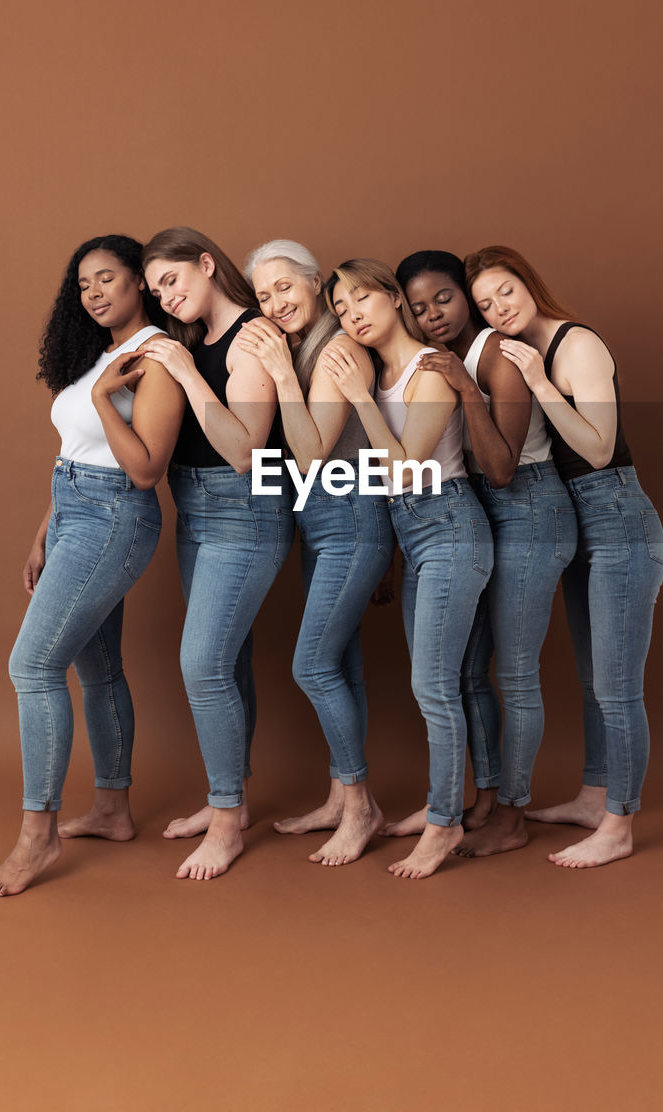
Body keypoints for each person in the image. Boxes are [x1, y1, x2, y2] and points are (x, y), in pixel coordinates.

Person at [0, 235, 185, 897]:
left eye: (108, 280)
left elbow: (146, 470)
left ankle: (39, 835)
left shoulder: (156, 357)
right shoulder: (100, 354)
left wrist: (99, 404)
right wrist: (44, 532)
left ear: (139, 285)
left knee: (32, 665)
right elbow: (74, 454)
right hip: (72, 510)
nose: (94, 293)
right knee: (98, 667)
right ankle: (114, 810)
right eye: (84, 283)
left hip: (116, 517)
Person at [467, 245, 663, 868]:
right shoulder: (518, 350)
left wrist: (537, 384)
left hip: (620, 523)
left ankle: (619, 824)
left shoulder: (575, 345)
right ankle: (593, 794)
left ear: (528, 282)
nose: (499, 308)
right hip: (578, 526)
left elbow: (601, 448)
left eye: (506, 291)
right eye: (485, 304)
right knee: (591, 679)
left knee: (617, 688)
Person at [392, 250, 577, 858]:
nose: (433, 314)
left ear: (465, 294)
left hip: (529, 509)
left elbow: (500, 469)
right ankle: (488, 797)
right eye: (418, 307)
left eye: (443, 297)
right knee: (470, 669)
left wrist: (465, 386)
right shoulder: (450, 359)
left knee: (516, 673)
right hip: (481, 517)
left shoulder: (494, 354)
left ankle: (514, 814)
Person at [323, 258, 493, 879]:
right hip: (417, 535)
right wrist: (394, 561)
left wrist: (360, 400)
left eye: (361, 298)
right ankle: (441, 805)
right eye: (340, 309)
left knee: (434, 685)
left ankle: (445, 823)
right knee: (437, 684)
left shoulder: (429, 370)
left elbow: (406, 471)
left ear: (394, 298)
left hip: (451, 526)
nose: (352, 315)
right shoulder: (388, 373)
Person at [141, 226, 294, 881]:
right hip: (195, 510)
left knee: (202, 663)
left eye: (172, 279)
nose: (166, 297)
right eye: (156, 291)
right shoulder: (193, 342)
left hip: (246, 508)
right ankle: (227, 796)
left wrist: (180, 371)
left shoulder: (253, 337)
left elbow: (244, 450)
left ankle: (228, 820)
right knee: (228, 662)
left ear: (206, 263)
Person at [238, 239, 394, 865]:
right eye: (263, 295)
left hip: (351, 517)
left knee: (312, 665)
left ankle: (361, 807)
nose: (274, 303)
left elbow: (311, 457)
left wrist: (277, 373)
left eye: (285, 288)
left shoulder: (337, 347)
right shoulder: (308, 346)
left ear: (313, 283)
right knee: (343, 662)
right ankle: (338, 794)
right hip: (323, 519)